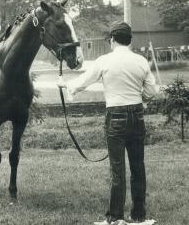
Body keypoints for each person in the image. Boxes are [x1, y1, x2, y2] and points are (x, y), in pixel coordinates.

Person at [58, 21, 159, 224]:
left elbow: (82, 82)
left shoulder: (104, 60)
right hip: (137, 115)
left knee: (117, 169)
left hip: (115, 116)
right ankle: (139, 217)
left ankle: (115, 218)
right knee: (138, 167)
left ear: (112, 39)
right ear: (129, 40)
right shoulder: (140, 61)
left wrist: (65, 84)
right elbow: (151, 93)